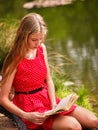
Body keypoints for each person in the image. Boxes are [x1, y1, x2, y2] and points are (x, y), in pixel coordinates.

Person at [0, 13, 98, 130]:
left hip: (47, 99)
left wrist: (54, 104)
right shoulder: (14, 59)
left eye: (41, 39)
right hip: (29, 108)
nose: (38, 43)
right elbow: (3, 98)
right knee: (74, 126)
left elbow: (49, 80)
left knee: (93, 121)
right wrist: (26, 115)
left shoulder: (41, 48)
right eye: (34, 39)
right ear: (23, 36)